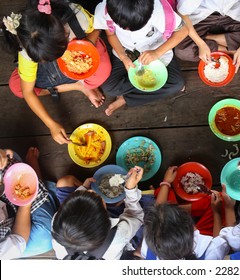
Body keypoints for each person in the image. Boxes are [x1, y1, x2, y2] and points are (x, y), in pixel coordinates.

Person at [1, 0, 111, 144]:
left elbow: (97, 28)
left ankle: (82, 82)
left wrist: (87, 46)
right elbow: (27, 92)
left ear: (64, 34)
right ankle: (79, 86)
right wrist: (51, 124)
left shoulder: (78, 18)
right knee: (17, 87)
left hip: (79, 51)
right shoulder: (27, 49)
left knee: (103, 71)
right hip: (48, 74)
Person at [93, 0, 188, 116]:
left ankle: (126, 99)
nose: (128, 31)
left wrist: (157, 53)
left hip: (156, 50)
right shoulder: (104, 10)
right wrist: (123, 57)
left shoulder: (160, 11)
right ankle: (143, 92)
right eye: (124, 28)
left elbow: (183, 31)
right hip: (125, 51)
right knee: (110, 88)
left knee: (177, 83)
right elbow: (111, 34)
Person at [51, 166, 144, 260]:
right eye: (100, 199)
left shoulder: (57, 223)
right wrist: (130, 189)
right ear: (106, 218)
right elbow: (135, 215)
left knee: (65, 182)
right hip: (120, 237)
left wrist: (83, 188)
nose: (92, 190)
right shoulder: (118, 236)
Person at [0, 147, 58, 259]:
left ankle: (32, 174)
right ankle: (35, 175)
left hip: (4, 203)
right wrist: (26, 203)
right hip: (13, 235)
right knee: (46, 236)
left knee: (11, 160)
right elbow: (19, 238)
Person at [175, 0, 240, 71]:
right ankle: (232, 51)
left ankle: (207, 37)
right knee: (182, 51)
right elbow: (182, 14)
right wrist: (200, 44)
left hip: (232, 14)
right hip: (201, 16)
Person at [154, 166, 236, 237]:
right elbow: (220, 241)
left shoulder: (157, 235)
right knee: (222, 200)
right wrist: (222, 210)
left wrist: (166, 182)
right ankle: (176, 210)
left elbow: (158, 213)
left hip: (181, 233)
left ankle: (177, 210)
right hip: (206, 236)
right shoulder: (210, 247)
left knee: (163, 192)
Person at [140, 203, 231, 260]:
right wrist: (222, 210)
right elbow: (231, 238)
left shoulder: (147, 249)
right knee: (214, 203)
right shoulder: (212, 249)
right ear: (192, 225)